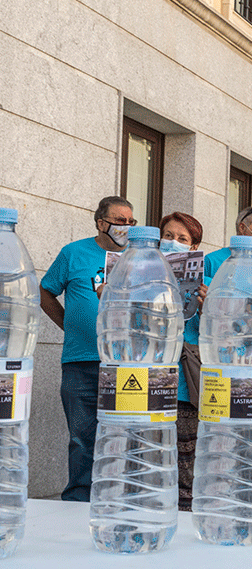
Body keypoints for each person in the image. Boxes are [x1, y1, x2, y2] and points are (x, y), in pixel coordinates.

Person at [40, 196, 136, 501]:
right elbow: (45, 292)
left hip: (123, 365)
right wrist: (69, 324)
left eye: (130, 221)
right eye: (119, 220)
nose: (125, 227)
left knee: (123, 437)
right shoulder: (73, 253)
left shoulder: (138, 258)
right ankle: (78, 502)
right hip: (80, 362)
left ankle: (118, 499)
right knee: (82, 438)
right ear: (101, 222)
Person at [158, 212, 207, 510]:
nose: (172, 242)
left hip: (185, 390)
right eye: (167, 236)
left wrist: (209, 305)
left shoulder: (208, 284)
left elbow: (226, 334)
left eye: (182, 239)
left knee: (186, 468)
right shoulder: (140, 273)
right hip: (146, 385)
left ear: (193, 248)